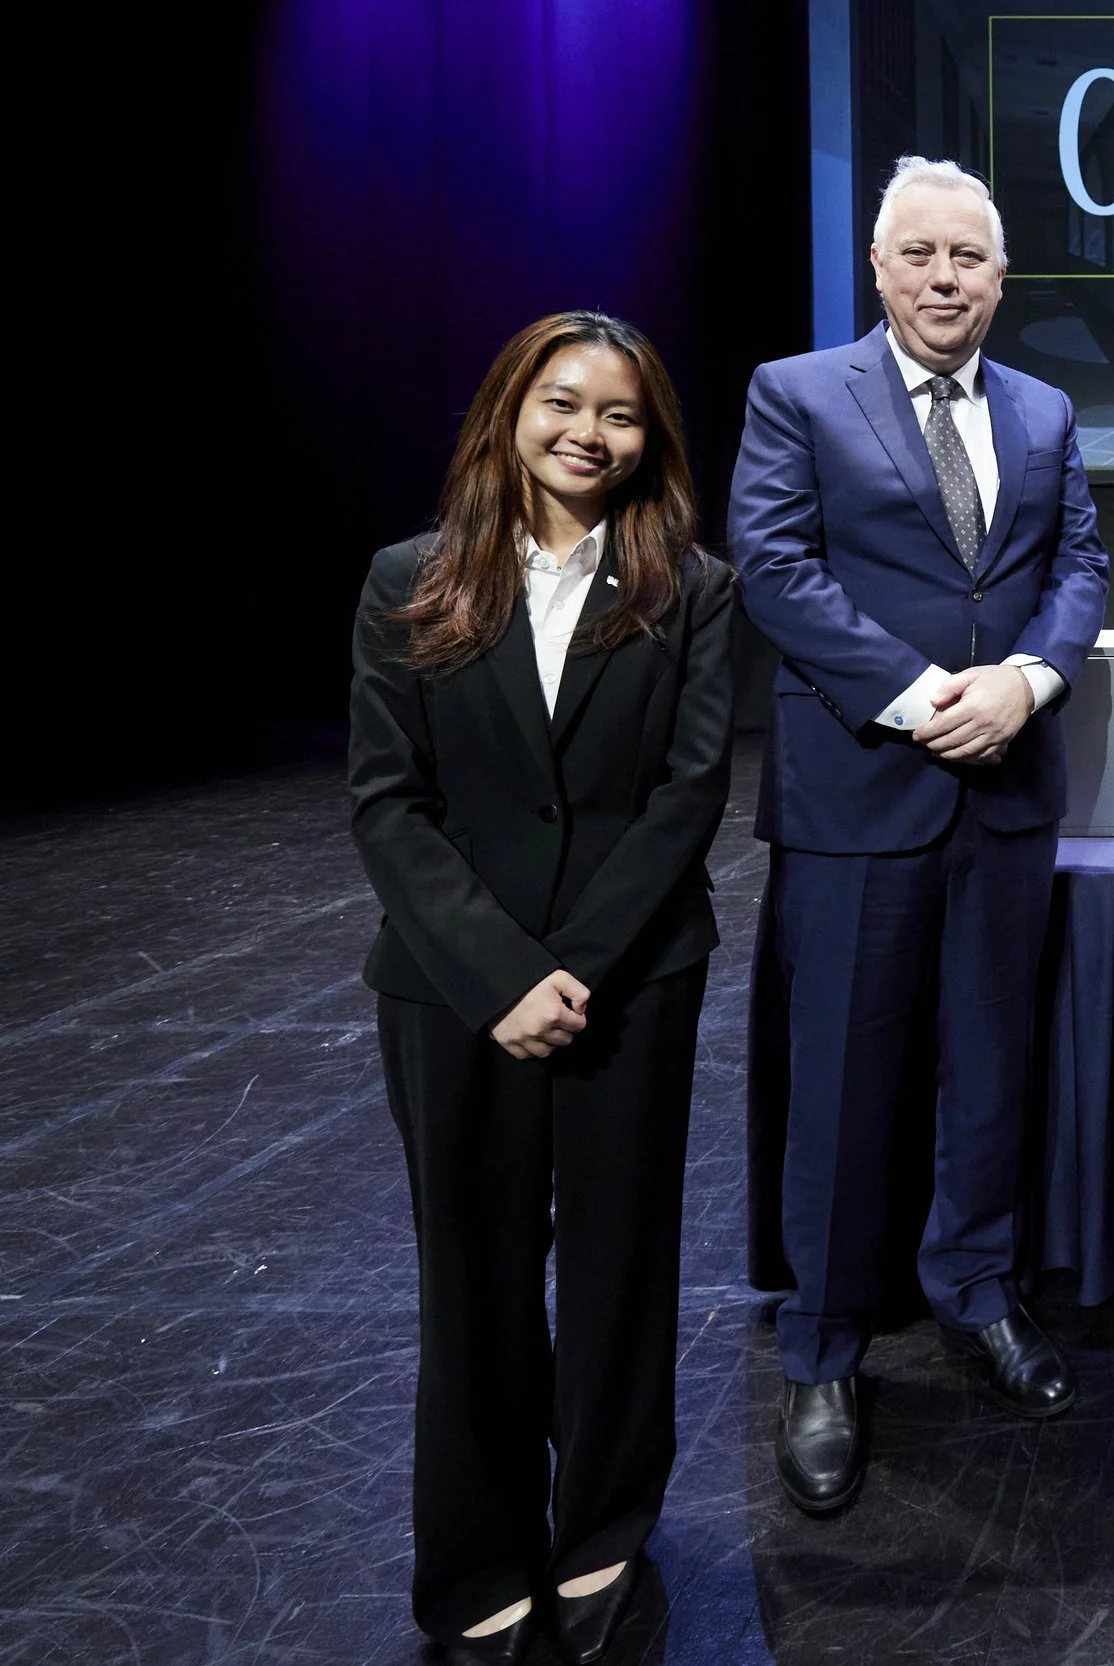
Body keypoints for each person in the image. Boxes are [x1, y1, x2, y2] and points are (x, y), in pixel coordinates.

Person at [348, 312, 737, 1662]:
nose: (589, 431)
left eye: (621, 412)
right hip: (455, 992)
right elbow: (390, 807)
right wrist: (505, 975)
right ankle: (475, 1559)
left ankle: (606, 1537)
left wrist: (577, 966)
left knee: (625, 1271)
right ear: (510, 412)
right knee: (476, 1278)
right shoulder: (410, 579)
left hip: (633, 979)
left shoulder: (694, 587)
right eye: (562, 402)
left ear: (651, 438)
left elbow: (690, 797)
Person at [727, 156, 1110, 1515]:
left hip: (1006, 788)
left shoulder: (1050, 409)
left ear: (1003, 280)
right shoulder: (797, 392)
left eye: (972, 258)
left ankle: (978, 1288)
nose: (947, 277)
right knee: (840, 1082)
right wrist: (914, 695)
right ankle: (824, 1349)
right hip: (861, 795)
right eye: (923, 255)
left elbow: (1079, 568)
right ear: (878, 270)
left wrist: (1027, 680)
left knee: (991, 1065)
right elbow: (773, 564)